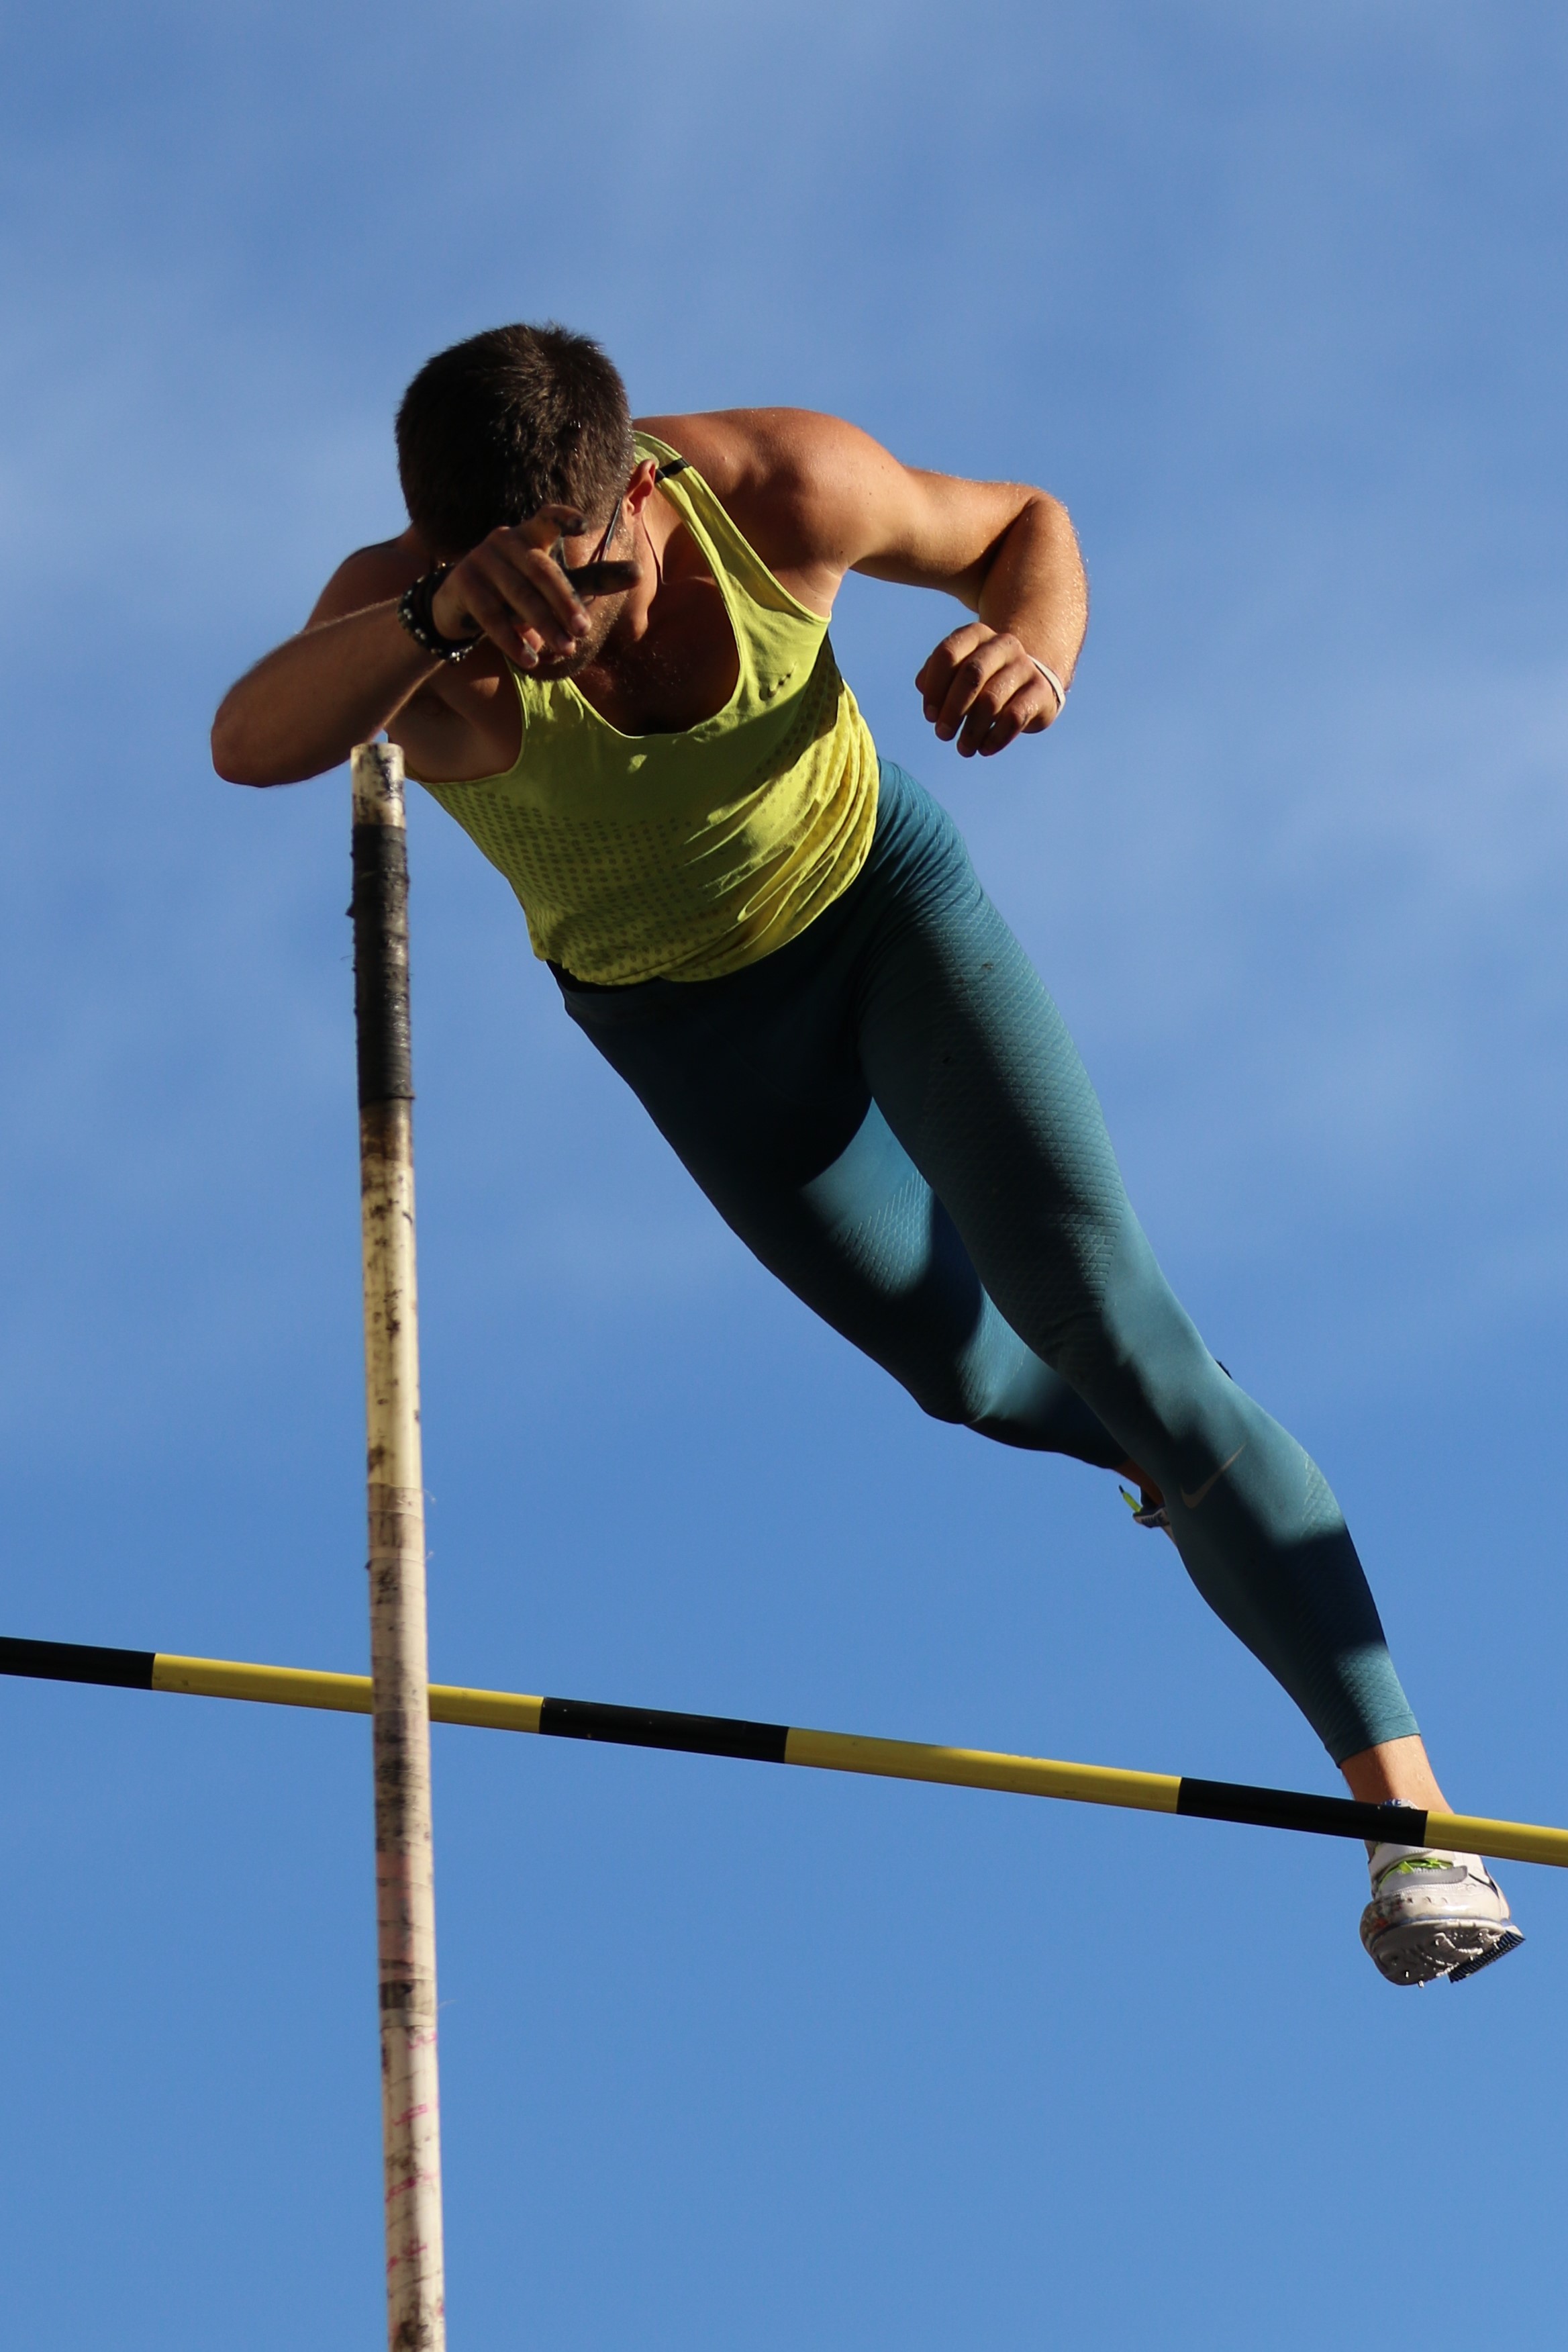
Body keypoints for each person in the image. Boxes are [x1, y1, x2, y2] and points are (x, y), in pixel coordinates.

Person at [213, 322, 1520, 1986]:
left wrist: (1034, 647)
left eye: (586, 582)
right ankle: (1178, 1447)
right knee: (972, 1380)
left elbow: (1021, 526)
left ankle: (1415, 1826)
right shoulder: (412, 618)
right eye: (512, 601)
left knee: (1109, 1326)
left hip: (882, 917)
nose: (557, 638)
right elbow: (246, 741)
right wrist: (427, 624)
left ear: (640, 498)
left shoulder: (778, 489)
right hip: (689, 1031)